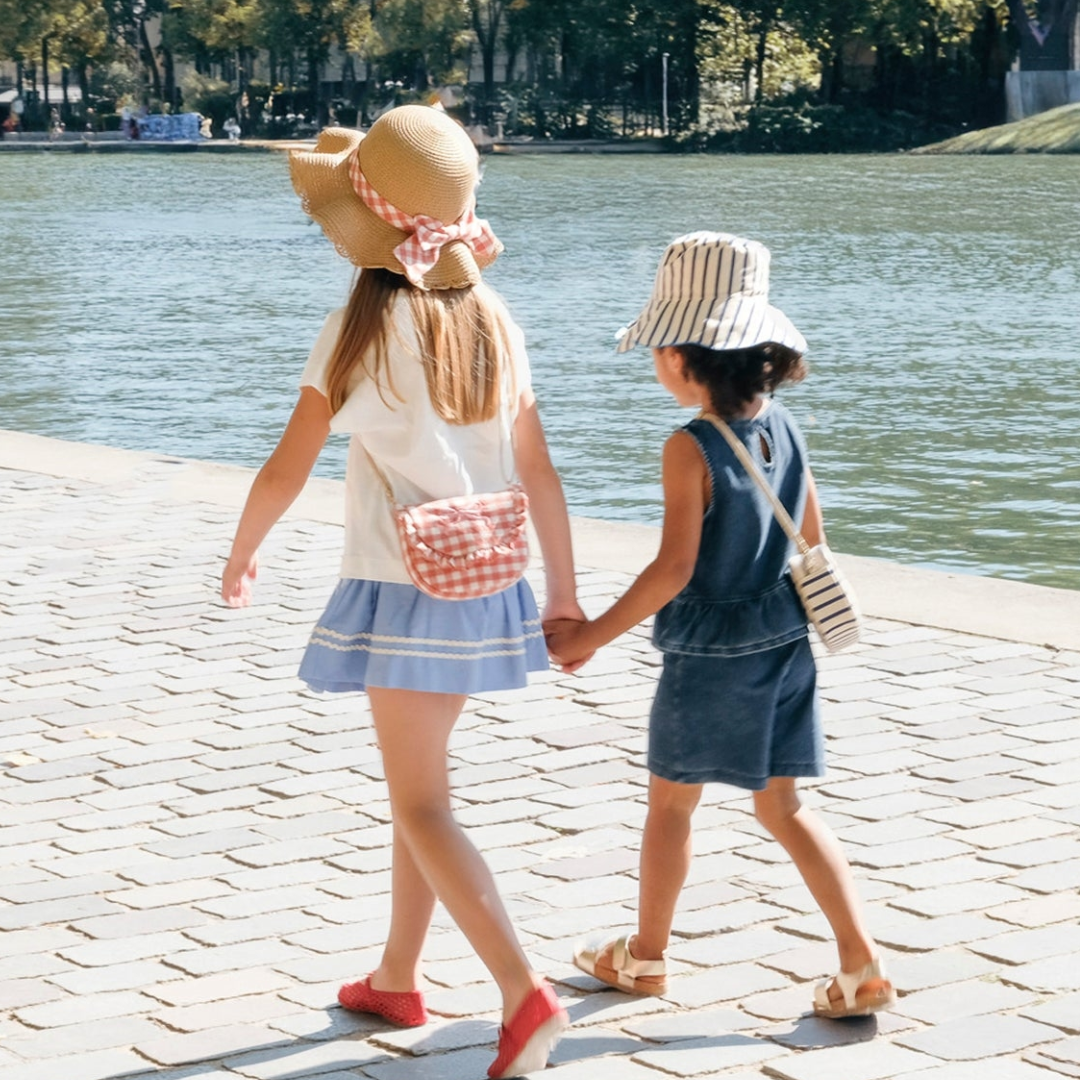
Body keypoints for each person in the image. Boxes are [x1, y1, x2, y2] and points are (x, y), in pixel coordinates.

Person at [221, 105, 579, 1077]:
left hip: (405, 582)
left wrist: (242, 552)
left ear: (365, 228)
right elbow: (541, 473)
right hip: (490, 580)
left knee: (422, 805)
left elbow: (287, 466)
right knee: (421, 790)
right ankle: (396, 976)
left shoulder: (360, 324)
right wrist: (564, 594)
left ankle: (524, 994)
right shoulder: (496, 320)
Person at [545, 232, 896, 1020]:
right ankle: (860, 959)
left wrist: (589, 634)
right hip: (786, 640)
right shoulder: (789, 428)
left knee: (671, 806)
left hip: (710, 657)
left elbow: (674, 569)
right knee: (785, 805)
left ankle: (645, 958)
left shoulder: (689, 445)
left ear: (680, 354)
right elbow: (814, 540)